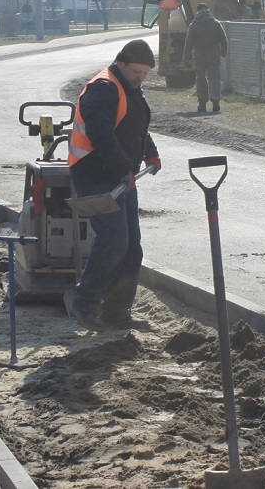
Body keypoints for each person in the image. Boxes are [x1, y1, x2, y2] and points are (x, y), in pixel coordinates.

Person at [67, 39, 161, 330]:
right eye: (136, 71)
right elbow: (102, 134)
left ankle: (117, 312)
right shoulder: (103, 88)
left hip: (121, 176)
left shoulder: (128, 88)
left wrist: (150, 152)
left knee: (132, 247)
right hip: (95, 175)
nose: (140, 78)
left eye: (145, 73)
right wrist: (124, 167)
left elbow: (134, 127)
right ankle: (84, 303)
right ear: (121, 63)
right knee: (114, 241)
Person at [183, 3, 229, 113]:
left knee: (200, 78)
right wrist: (223, 52)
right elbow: (223, 40)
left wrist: (186, 57)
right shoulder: (216, 23)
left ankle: (202, 103)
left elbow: (188, 43)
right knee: (214, 76)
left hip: (200, 56)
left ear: (197, 11)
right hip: (214, 55)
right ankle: (215, 100)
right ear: (208, 10)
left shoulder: (193, 25)